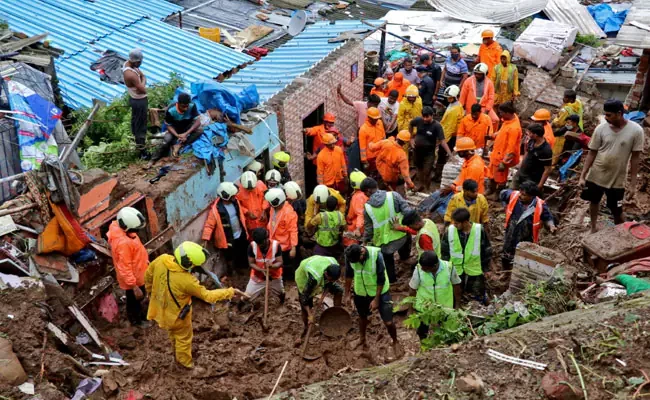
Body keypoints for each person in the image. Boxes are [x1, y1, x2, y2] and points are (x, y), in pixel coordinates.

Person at [146, 242, 245, 371]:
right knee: (183, 339)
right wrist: (230, 292)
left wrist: (150, 293)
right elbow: (207, 296)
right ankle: (185, 364)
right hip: (178, 315)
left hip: (160, 308)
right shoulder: (187, 281)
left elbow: (148, 276)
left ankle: (175, 354)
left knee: (172, 334)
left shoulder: (162, 259)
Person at [579, 99, 644, 233]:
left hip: (617, 178)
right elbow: (592, 153)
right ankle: (593, 227)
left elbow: (635, 158)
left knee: (616, 209)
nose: (606, 118)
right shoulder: (601, 129)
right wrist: (582, 175)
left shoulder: (636, 131)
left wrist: (632, 185)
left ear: (619, 113)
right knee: (594, 201)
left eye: (609, 115)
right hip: (596, 174)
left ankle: (619, 233)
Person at [344, 244, 400, 357]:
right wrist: (347, 294)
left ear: (362, 253)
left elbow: (381, 279)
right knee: (362, 317)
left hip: (380, 292)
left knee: (388, 321)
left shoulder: (376, 256)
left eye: (356, 260)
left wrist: (376, 299)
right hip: (361, 291)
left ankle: (395, 341)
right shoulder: (350, 255)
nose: (355, 263)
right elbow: (349, 275)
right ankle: (362, 339)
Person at [361, 178, 412, 284]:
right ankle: (405, 257)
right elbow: (407, 211)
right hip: (401, 235)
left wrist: (365, 241)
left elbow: (369, 229)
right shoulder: (393, 195)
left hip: (384, 242)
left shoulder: (368, 208)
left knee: (387, 259)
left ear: (368, 191)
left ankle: (392, 280)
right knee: (407, 237)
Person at [106, 207, 149, 327]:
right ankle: (136, 321)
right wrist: (134, 286)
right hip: (133, 280)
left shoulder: (125, 232)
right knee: (134, 301)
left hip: (139, 272)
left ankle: (141, 315)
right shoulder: (123, 244)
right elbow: (125, 267)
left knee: (138, 298)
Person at [501, 181, 556, 272]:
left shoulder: (539, 205)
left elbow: (547, 217)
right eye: (520, 193)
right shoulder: (514, 196)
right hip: (511, 232)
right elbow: (502, 194)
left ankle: (517, 272)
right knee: (507, 252)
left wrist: (551, 226)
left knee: (523, 256)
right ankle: (505, 272)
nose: (520, 196)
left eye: (524, 195)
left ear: (531, 196)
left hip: (527, 237)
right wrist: (505, 206)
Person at [441, 208, 492, 304]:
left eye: (456, 223)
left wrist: (486, 269)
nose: (454, 225)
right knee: (455, 293)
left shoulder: (478, 230)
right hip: (456, 268)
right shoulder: (450, 231)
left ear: (465, 222)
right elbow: (445, 251)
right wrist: (445, 267)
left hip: (474, 268)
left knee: (476, 294)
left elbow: (486, 250)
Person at [408, 251, 462, 340]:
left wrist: (457, 305)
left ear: (434, 266)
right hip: (424, 308)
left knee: (446, 331)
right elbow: (412, 289)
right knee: (422, 330)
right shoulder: (418, 270)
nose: (422, 269)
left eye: (425, 268)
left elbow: (456, 286)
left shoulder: (449, 268)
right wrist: (410, 309)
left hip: (444, 308)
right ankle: (423, 343)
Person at [202, 182, 248, 280]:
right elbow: (209, 225)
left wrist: (248, 212)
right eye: (233, 195)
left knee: (241, 251)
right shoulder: (216, 210)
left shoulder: (235, 202)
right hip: (227, 239)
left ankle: (242, 268)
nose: (235, 197)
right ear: (226, 196)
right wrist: (205, 238)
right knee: (229, 256)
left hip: (239, 233)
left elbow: (240, 210)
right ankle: (232, 272)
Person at [296, 257, 342, 338]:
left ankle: (336, 315)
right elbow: (304, 297)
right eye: (331, 279)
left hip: (319, 269)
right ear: (326, 274)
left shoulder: (334, 265)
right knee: (306, 304)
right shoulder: (314, 278)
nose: (332, 281)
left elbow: (329, 284)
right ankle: (306, 327)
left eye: (334, 280)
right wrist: (310, 315)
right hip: (304, 278)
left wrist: (322, 298)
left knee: (339, 291)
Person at [409, 107, 453, 192]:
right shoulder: (418, 120)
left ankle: (427, 189)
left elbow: (443, 141)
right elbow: (411, 124)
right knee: (419, 169)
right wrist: (411, 138)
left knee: (427, 172)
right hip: (417, 151)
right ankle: (421, 185)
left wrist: (450, 154)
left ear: (432, 115)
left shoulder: (437, 126)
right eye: (423, 117)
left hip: (429, 153)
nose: (425, 119)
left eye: (427, 117)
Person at [151, 92, 202, 163]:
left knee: (199, 131)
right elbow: (168, 125)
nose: (186, 108)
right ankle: (153, 160)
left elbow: (198, 121)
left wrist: (186, 134)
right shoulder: (171, 110)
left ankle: (179, 145)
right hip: (175, 129)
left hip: (187, 127)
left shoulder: (192, 105)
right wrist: (177, 135)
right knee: (166, 141)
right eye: (183, 106)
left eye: (187, 106)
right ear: (178, 103)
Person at [487, 102, 522, 196]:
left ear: (507, 113)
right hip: (496, 152)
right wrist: (492, 136)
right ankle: (491, 189)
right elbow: (501, 132)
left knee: (500, 177)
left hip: (502, 157)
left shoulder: (514, 128)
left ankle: (497, 194)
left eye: (501, 112)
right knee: (491, 173)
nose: (499, 114)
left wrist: (504, 162)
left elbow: (511, 149)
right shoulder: (508, 121)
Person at [265, 188, 299, 279]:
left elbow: (293, 231)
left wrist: (293, 247)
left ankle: (288, 277)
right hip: (274, 241)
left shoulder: (288, 213)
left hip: (284, 245)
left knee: (285, 263)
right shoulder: (273, 208)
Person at [123, 48, 149, 159]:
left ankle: (139, 145)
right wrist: (143, 79)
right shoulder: (131, 74)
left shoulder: (130, 65)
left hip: (135, 99)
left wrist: (142, 79)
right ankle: (142, 152)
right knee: (140, 126)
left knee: (136, 123)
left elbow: (141, 77)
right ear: (136, 61)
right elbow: (143, 90)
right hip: (139, 101)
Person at [245, 228, 284, 301]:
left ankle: (281, 302)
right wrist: (261, 270)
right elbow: (251, 263)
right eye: (258, 244)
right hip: (258, 276)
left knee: (280, 293)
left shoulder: (276, 245)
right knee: (247, 296)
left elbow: (280, 262)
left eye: (261, 243)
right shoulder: (252, 246)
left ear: (267, 239)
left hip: (274, 275)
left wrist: (272, 266)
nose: (260, 246)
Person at [436, 85, 464, 181]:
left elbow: (449, 127)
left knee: (442, 154)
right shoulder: (456, 105)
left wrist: (442, 140)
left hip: (449, 136)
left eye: (450, 97)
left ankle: (438, 174)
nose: (448, 99)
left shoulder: (454, 110)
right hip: (450, 134)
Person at [459, 63, 498, 131]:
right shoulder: (468, 81)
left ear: (485, 74)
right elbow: (463, 95)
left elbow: (491, 98)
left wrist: (487, 111)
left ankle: (490, 137)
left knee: (495, 120)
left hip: (484, 107)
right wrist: (461, 108)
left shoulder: (489, 83)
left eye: (479, 74)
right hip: (471, 107)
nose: (477, 75)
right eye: (476, 73)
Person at [513, 124, 553, 191]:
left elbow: (548, 169)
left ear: (535, 135)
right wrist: (521, 165)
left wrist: (540, 185)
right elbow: (527, 152)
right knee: (513, 190)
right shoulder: (531, 141)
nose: (528, 134)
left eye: (530, 133)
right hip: (522, 172)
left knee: (525, 194)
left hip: (532, 178)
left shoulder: (546, 150)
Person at [344, 170, 369, 246]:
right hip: (366, 222)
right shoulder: (365, 193)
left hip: (359, 225)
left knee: (348, 235)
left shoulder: (357, 197)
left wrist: (358, 228)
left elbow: (360, 214)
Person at [359, 107, 386, 172]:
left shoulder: (379, 123)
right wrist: (364, 161)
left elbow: (384, 137)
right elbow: (362, 147)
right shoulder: (363, 129)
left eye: (377, 118)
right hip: (371, 157)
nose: (376, 120)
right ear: (369, 117)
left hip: (381, 154)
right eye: (374, 119)